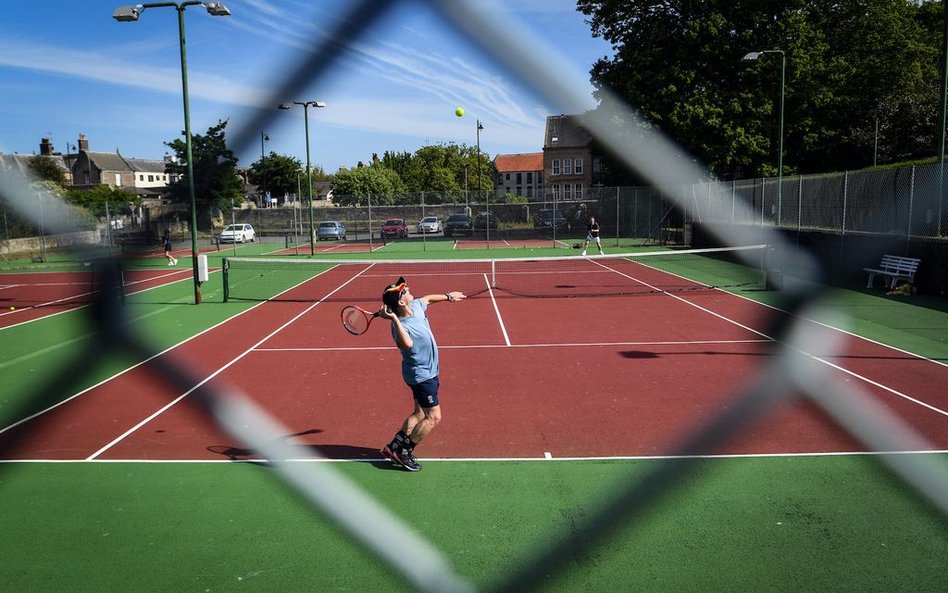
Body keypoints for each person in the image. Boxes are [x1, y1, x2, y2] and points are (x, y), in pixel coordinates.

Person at [378, 276, 465, 472]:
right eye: (404, 291)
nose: (408, 289)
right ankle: (403, 453)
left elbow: (427, 299)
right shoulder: (399, 326)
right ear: (401, 302)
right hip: (422, 377)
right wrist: (393, 318)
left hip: (428, 371)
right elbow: (406, 344)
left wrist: (448, 297)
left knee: (419, 413)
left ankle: (393, 447)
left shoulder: (415, 306)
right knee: (433, 417)